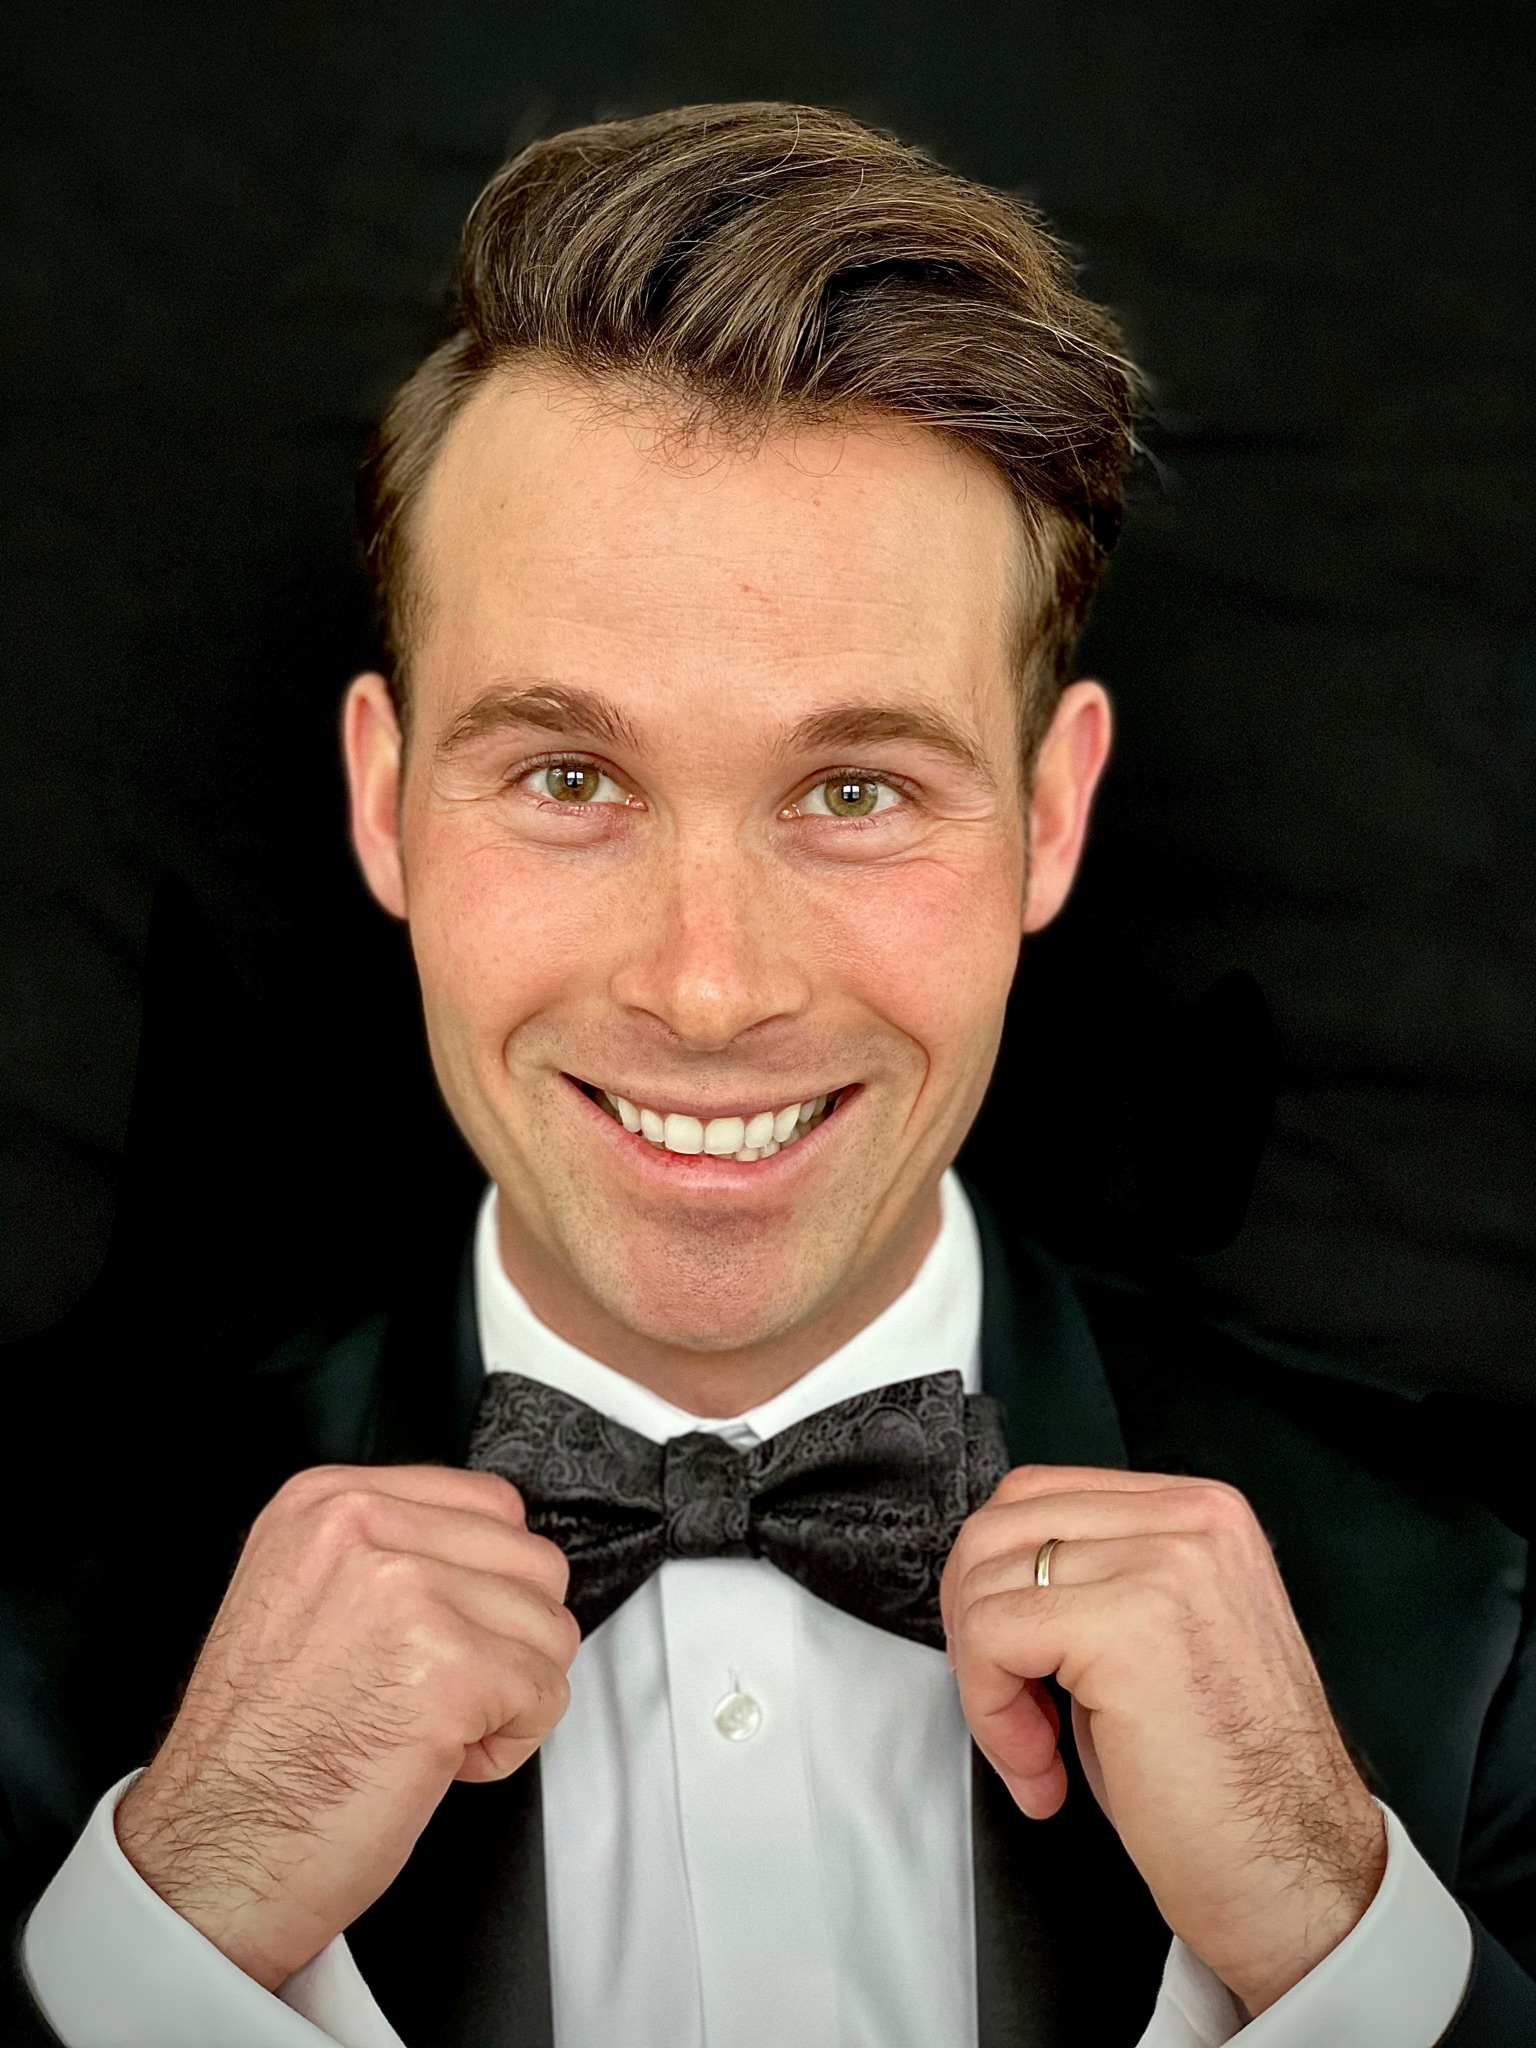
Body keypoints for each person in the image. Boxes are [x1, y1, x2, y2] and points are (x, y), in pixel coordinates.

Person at [6, 101, 1534, 2048]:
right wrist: (146, 1947)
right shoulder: (27, 1622)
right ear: (384, 804)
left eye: (854, 788)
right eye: (568, 778)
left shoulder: (1483, 1611)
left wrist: (1353, 1950)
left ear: (1052, 815)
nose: (709, 987)